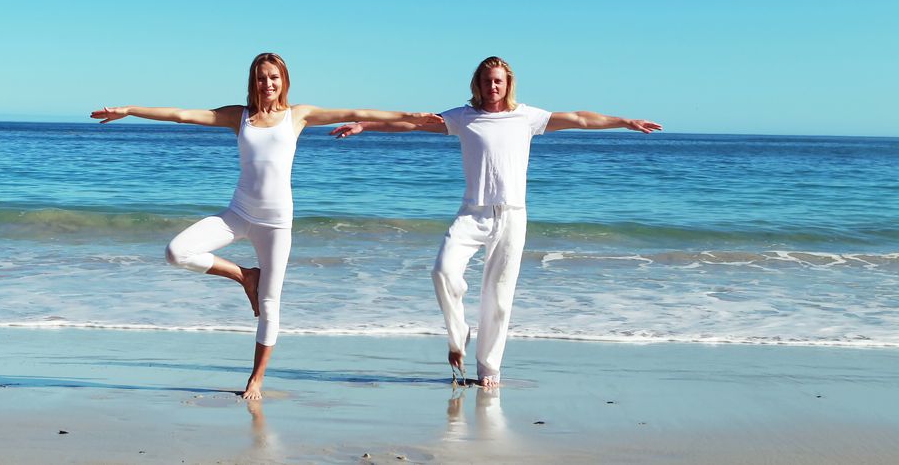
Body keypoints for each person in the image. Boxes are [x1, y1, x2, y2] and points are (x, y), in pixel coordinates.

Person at [91, 52, 441, 399]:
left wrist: (407, 115)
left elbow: (358, 113)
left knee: (270, 304)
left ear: (284, 81)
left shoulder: (299, 115)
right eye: (261, 77)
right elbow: (183, 115)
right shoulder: (238, 117)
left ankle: (256, 378)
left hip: (275, 222)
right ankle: (245, 275)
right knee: (176, 252)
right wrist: (129, 110)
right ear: (253, 82)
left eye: (274, 77)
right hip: (238, 213)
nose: (268, 83)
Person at [332, 56, 661, 388]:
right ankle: (458, 331)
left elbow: (579, 118)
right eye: (487, 81)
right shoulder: (463, 117)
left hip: (512, 215)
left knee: (499, 298)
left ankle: (488, 370)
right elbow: (413, 123)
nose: (492, 87)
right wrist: (365, 126)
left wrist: (624, 121)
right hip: (472, 213)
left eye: (498, 81)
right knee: (443, 270)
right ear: (478, 83)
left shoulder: (526, 116)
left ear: (508, 84)